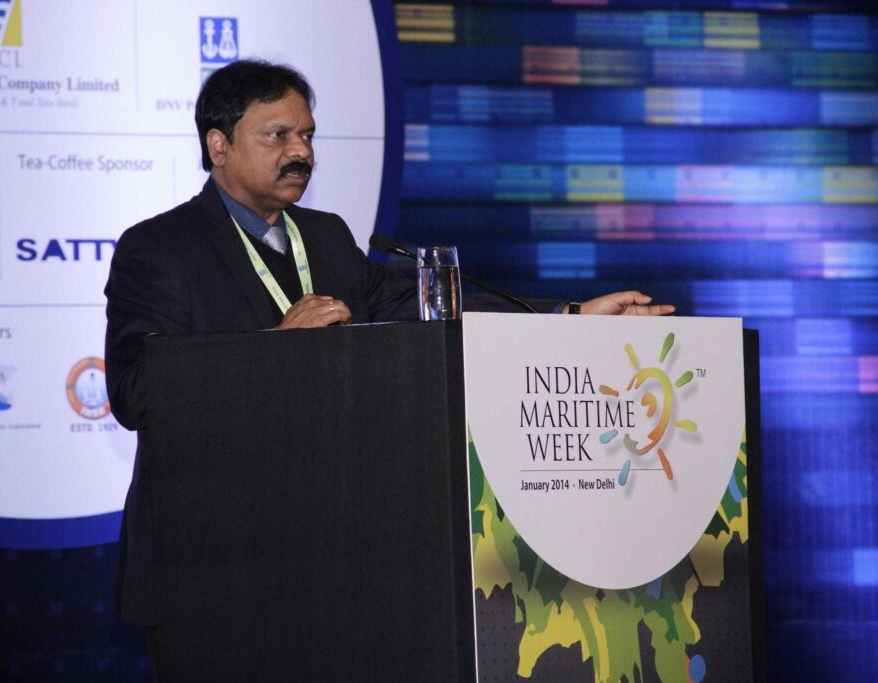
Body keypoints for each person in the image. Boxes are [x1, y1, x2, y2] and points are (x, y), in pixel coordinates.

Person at [103, 58, 674, 670]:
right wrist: (274, 345)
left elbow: (423, 307)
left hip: (332, 556)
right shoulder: (159, 247)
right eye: (278, 136)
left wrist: (569, 314)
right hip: (211, 562)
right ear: (219, 145)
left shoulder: (325, 237)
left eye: (307, 135)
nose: (301, 152)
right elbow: (137, 392)